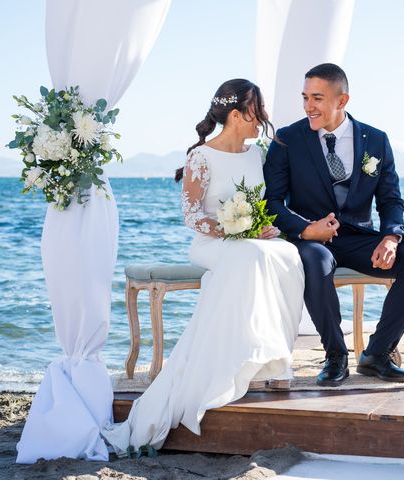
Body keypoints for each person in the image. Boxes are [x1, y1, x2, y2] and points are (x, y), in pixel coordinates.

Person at [103, 79, 304, 454]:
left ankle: (273, 359)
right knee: (255, 255)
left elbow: (268, 202)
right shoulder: (201, 156)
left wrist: (264, 228)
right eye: (256, 111)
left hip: (252, 240)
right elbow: (192, 216)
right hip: (212, 242)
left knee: (287, 254)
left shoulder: (257, 154)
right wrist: (237, 227)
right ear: (235, 114)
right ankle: (234, 360)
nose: (262, 119)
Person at [264, 63, 404, 386]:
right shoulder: (288, 139)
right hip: (310, 239)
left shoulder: (376, 141)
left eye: (317, 98)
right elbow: (271, 202)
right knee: (317, 259)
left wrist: (391, 238)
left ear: (342, 101)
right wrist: (305, 228)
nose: (308, 107)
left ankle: (377, 355)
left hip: (358, 237)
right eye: (305, 98)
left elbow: (390, 200)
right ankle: (335, 355)